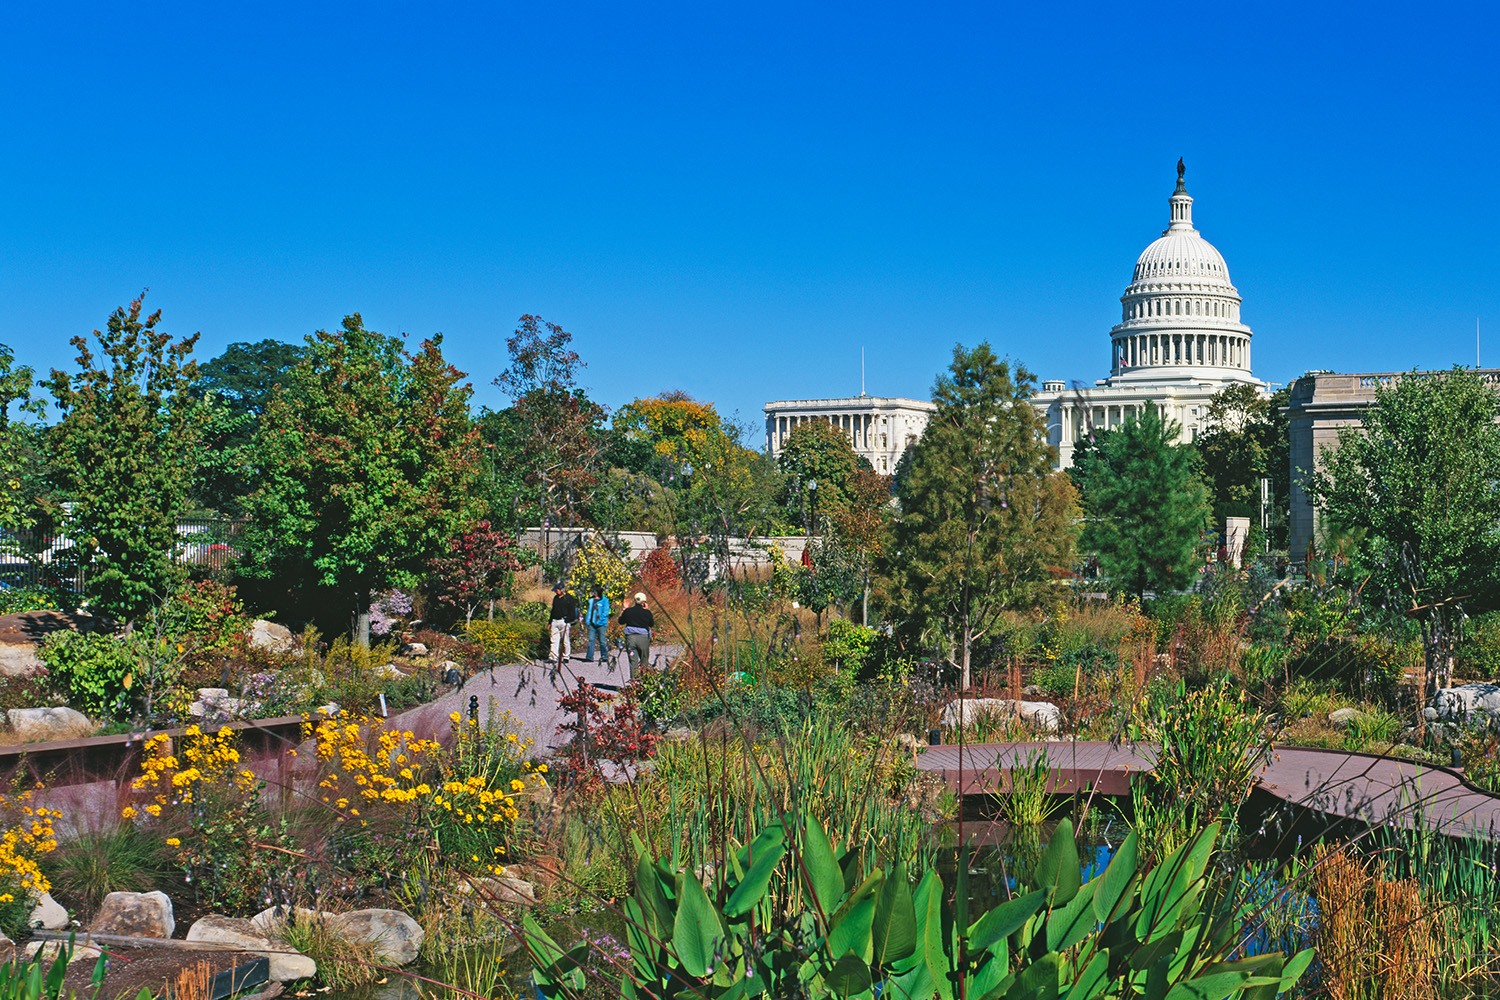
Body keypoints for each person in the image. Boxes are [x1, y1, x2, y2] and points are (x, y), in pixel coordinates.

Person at [619, 591, 654, 671]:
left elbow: (621, 621)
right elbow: (651, 624)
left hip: (630, 638)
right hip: (643, 638)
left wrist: (624, 609)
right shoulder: (647, 613)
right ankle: (643, 681)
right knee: (644, 661)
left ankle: (634, 681)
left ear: (634, 601)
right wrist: (646, 610)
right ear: (644, 602)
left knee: (633, 662)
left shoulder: (628, 611)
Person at [549, 584, 578, 664]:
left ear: (561, 589)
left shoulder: (569, 598)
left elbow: (572, 610)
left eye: (557, 590)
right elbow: (553, 610)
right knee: (554, 640)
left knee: (565, 640)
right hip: (555, 621)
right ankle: (553, 657)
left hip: (564, 621)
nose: (555, 592)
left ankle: (566, 656)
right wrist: (550, 622)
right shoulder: (556, 598)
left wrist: (568, 620)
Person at [582, 585, 610, 662]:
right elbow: (589, 611)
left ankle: (604, 656)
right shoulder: (591, 600)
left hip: (601, 624)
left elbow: (606, 612)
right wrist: (587, 620)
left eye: (593, 591)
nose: (592, 592)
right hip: (591, 623)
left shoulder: (604, 600)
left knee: (602, 641)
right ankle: (589, 657)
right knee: (591, 640)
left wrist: (600, 620)